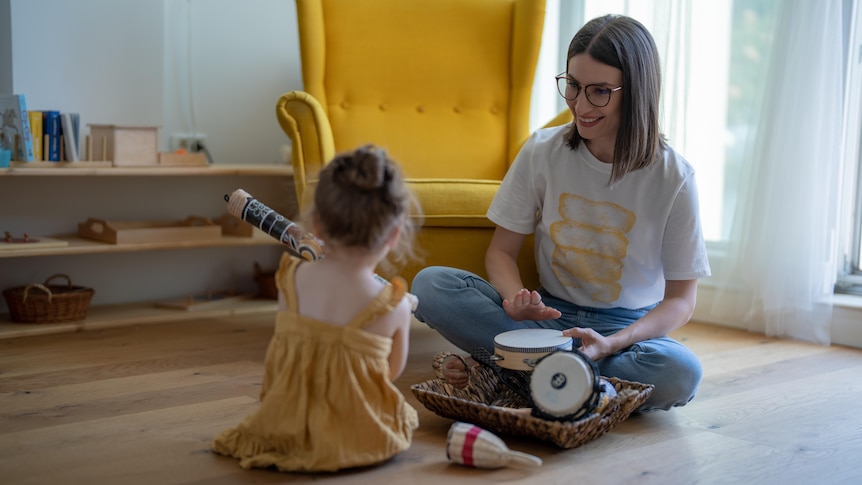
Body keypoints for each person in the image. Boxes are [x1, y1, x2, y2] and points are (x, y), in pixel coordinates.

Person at [411, 14, 711, 412]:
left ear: (637, 92)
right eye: (572, 85)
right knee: (431, 285)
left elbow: (681, 301)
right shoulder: (542, 151)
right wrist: (514, 299)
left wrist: (614, 343)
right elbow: (501, 252)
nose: (580, 105)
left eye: (600, 91)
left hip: (626, 332)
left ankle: (526, 374)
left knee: (680, 372)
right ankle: (576, 383)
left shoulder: (674, 176)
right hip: (546, 323)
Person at [213, 144, 422, 471]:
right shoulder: (392, 306)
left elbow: (286, 354)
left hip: (287, 417)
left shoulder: (289, 279)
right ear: (394, 235)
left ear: (317, 225)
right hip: (354, 431)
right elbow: (388, 374)